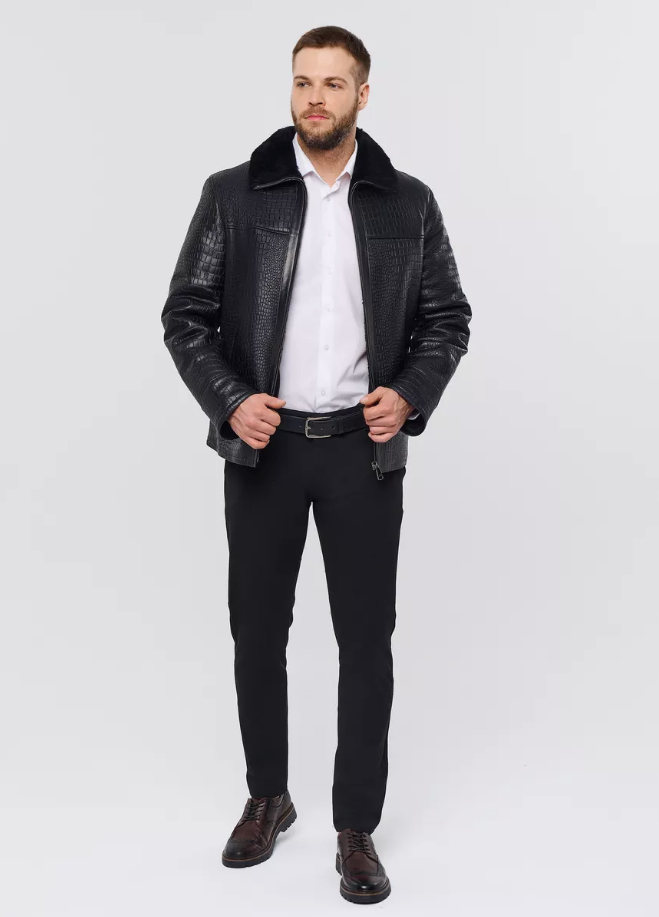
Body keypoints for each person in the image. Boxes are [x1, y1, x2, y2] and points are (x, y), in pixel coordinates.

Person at [161, 24, 472, 905]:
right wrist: (229, 397)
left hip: (361, 454)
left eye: (333, 84)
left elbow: (446, 317)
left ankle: (355, 826)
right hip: (263, 448)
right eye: (303, 82)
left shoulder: (406, 204)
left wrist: (408, 392)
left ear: (361, 95)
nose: (315, 98)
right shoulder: (233, 193)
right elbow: (185, 314)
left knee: (365, 642)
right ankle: (268, 795)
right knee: (257, 632)